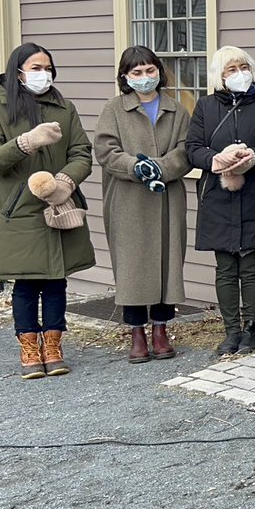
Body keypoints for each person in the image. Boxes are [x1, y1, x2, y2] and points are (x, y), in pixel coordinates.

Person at [0, 43, 96, 379]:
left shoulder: (63, 107)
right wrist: (26, 142)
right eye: (36, 67)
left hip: (59, 205)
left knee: (56, 281)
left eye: (48, 67)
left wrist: (66, 182)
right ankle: (29, 348)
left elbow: (82, 153)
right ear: (18, 72)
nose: (44, 74)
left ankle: (54, 346)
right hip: (18, 210)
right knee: (26, 285)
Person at [94, 45, 192, 363]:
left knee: (167, 263)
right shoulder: (114, 109)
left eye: (150, 70)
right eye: (136, 72)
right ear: (126, 77)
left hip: (167, 198)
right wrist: (135, 167)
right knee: (133, 266)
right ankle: (136, 332)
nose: (145, 77)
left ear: (159, 72)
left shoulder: (177, 110)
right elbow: (106, 150)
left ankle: (161, 329)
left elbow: (185, 150)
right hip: (128, 201)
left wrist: (160, 168)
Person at [186, 46, 255, 356]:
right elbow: (193, 148)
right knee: (225, 267)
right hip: (217, 196)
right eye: (230, 69)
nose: (238, 73)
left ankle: (251, 329)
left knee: (250, 265)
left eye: (242, 67)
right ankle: (230, 331)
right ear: (220, 76)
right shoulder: (205, 106)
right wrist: (216, 158)